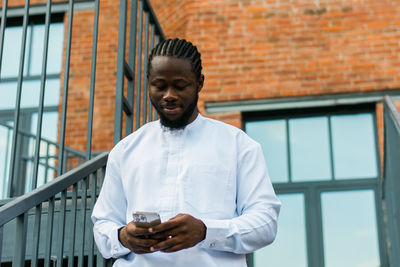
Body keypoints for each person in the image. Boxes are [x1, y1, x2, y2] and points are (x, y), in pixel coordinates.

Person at [91, 38, 281, 267]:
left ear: (199, 83)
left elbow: (266, 222)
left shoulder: (239, 146)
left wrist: (206, 232)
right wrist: (122, 236)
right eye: (160, 86)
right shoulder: (125, 150)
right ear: (148, 83)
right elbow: (103, 224)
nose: (169, 95)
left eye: (180, 86)